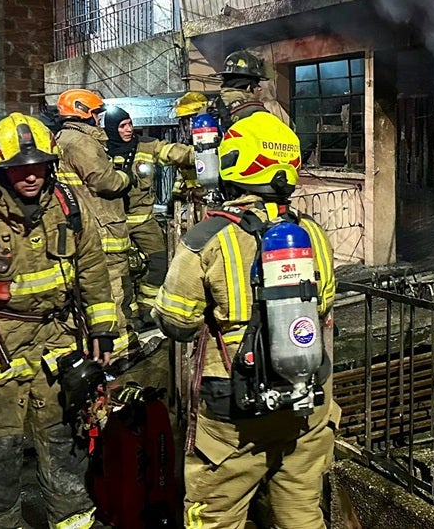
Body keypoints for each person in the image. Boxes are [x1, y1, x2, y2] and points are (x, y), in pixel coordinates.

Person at [0, 113, 118, 529]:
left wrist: (103, 328)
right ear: (1, 171)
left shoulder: (69, 206)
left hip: (57, 344)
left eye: (38, 168)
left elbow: (93, 269)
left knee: (64, 445)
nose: (30, 177)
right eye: (19, 169)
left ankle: (74, 521)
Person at [153, 111, 339, 528]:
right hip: (307, 399)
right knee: (301, 513)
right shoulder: (312, 232)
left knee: (215, 518)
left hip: (234, 412)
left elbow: (176, 322)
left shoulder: (207, 238)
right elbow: (324, 303)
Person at [52, 89, 141, 337]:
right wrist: (125, 176)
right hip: (102, 229)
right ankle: (120, 350)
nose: (99, 120)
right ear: (84, 113)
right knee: (112, 292)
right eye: (96, 114)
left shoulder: (62, 139)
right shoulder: (81, 142)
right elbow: (106, 182)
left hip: (83, 225)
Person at [102, 104, 193, 328]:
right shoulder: (99, 152)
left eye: (130, 124)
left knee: (160, 262)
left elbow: (172, 152)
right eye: (122, 126)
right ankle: (127, 315)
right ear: (112, 129)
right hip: (113, 223)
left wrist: (202, 153)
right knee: (119, 271)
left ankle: (147, 309)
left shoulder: (146, 146)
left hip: (143, 220)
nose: (128, 130)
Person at [211, 50, 291, 129]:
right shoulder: (256, 114)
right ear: (249, 88)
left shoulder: (210, 108)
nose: (260, 89)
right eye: (257, 85)